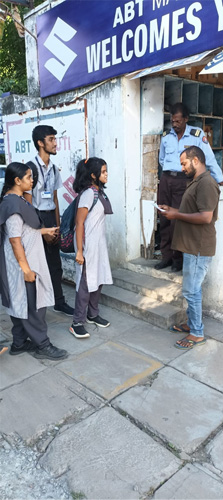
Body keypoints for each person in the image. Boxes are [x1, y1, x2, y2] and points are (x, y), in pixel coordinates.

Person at [0, 162, 68, 360]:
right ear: (17, 180)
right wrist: (26, 269)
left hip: (25, 259)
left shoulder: (16, 200)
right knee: (33, 305)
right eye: (29, 177)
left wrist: (42, 231)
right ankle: (43, 346)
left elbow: (22, 231)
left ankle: (19, 343)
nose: (32, 180)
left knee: (20, 303)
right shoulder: (12, 205)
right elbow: (14, 240)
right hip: (23, 263)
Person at [159, 146, 220, 349]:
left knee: (191, 291)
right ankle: (193, 324)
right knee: (191, 290)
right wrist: (174, 210)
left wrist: (176, 215)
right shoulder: (196, 182)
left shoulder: (206, 183)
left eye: (184, 163)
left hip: (198, 247)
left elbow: (205, 216)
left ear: (196, 161)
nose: (182, 168)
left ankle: (197, 333)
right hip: (192, 246)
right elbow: (191, 210)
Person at [156, 102, 223, 272]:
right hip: (166, 179)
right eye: (173, 121)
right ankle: (166, 256)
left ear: (186, 119)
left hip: (183, 180)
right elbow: (162, 159)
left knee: (178, 219)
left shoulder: (196, 134)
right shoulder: (166, 136)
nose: (175, 124)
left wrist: (219, 178)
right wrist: (168, 172)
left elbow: (208, 158)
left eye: (178, 121)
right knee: (163, 217)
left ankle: (178, 259)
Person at [24, 125, 73, 316]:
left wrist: (57, 225)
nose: (55, 143)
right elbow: (28, 206)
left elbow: (54, 198)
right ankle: (35, 307)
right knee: (36, 265)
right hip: (36, 219)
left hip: (51, 217)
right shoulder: (31, 169)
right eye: (51, 139)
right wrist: (42, 229)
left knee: (55, 264)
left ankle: (59, 301)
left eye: (55, 138)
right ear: (40, 143)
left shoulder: (53, 169)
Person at [69, 157, 113, 338]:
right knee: (86, 284)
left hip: (99, 245)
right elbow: (79, 224)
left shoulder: (99, 192)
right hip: (87, 246)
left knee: (99, 279)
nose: (106, 174)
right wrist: (79, 251)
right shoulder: (88, 194)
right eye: (103, 172)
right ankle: (77, 322)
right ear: (93, 175)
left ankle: (93, 314)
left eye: (106, 170)